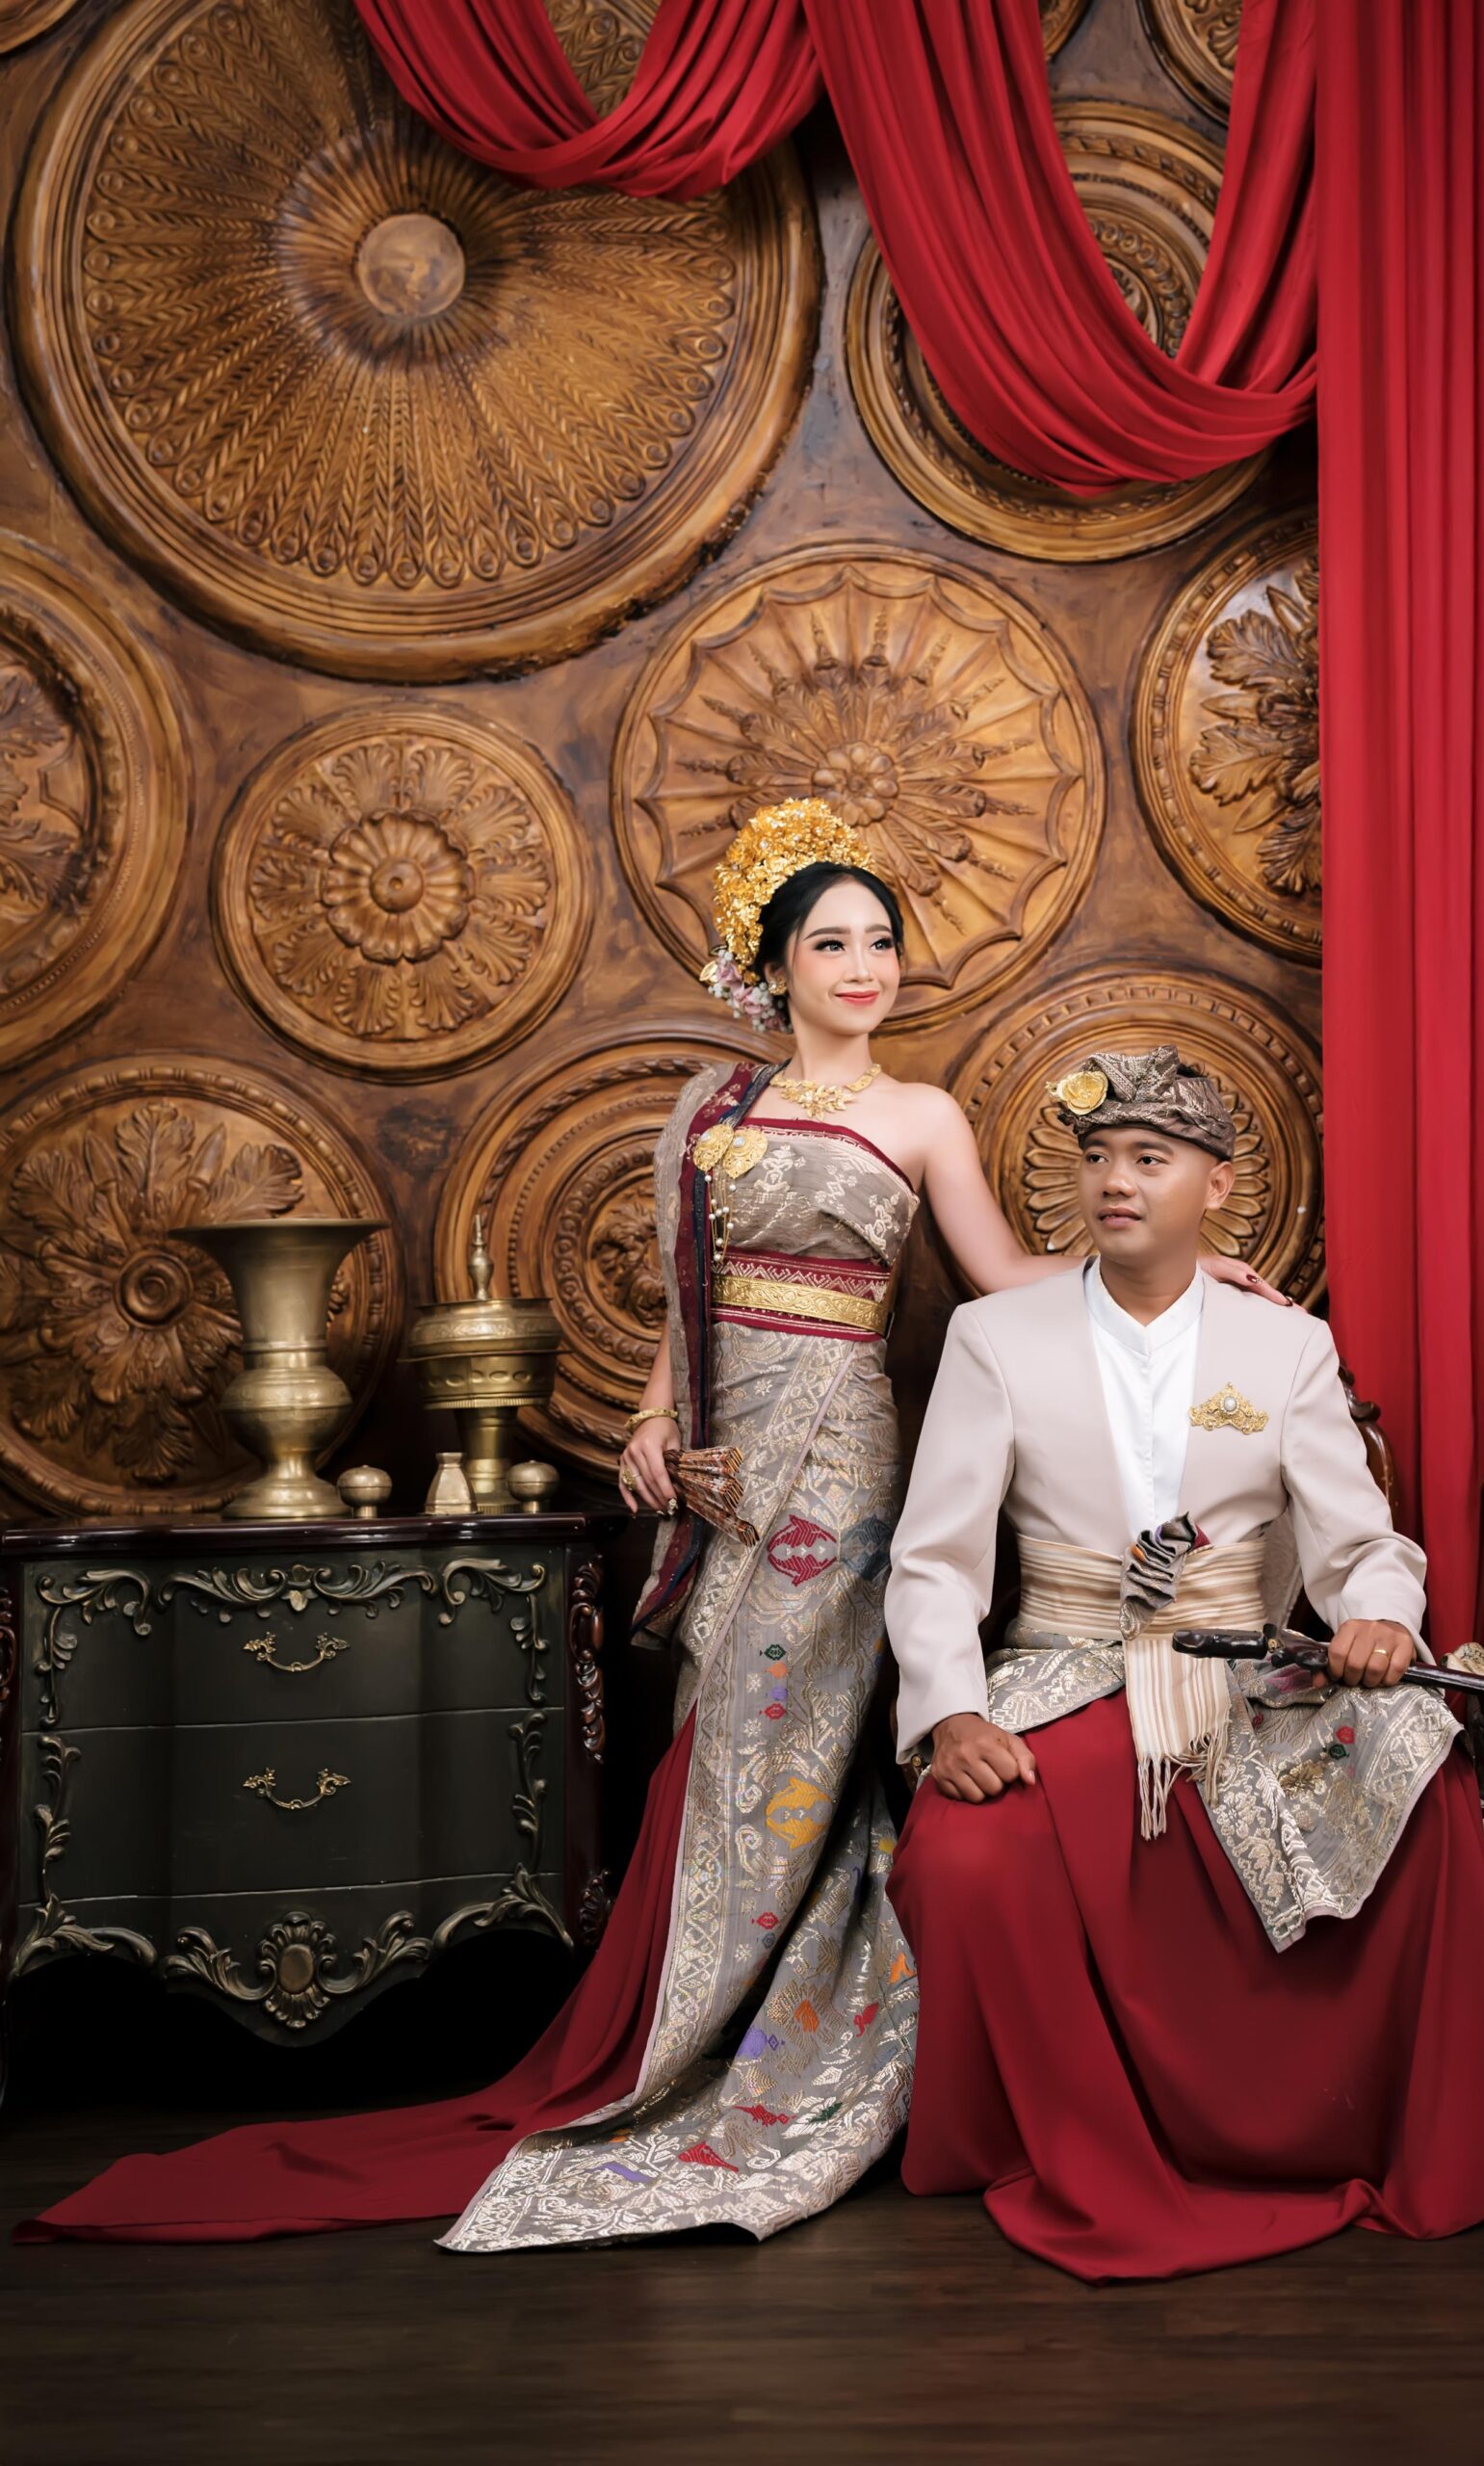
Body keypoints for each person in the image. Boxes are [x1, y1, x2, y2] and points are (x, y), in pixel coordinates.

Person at [26, 805, 1288, 2250]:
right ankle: (684, 2014)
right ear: (775, 964)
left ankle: (737, 2031)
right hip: (721, 1463)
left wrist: (1189, 1267)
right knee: (720, 1722)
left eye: (881, 941)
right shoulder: (709, 1109)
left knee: (802, 1735)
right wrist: (646, 1416)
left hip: (841, 1463)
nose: (865, 966)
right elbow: (688, 1302)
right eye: (833, 942)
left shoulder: (921, 1115)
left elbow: (1004, 1276)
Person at [884, 1045, 1484, 2283]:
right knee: (967, 1851)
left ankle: (1375, 2133)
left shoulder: (1282, 1346)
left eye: (1149, 1159)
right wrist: (950, 1714)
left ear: (1217, 1186)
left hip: (1247, 1670)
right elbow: (932, 1558)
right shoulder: (994, 1336)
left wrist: (1379, 1620)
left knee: (1424, 1768)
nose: (1114, 1182)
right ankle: (1051, 2142)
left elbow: (1363, 1547)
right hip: (1066, 1665)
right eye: (1097, 1158)